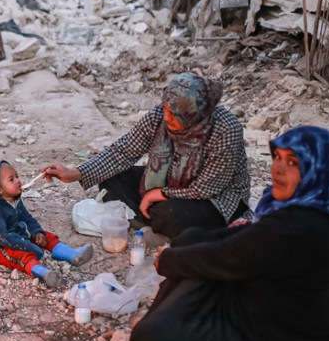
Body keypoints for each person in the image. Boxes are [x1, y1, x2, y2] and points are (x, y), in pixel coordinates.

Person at [117, 126, 329, 341]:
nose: (279, 169)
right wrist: (183, 249)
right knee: (190, 240)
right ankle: (168, 317)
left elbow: (229, 256)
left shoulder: (300, 227)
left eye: (293, 163)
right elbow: (241, 240)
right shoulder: (312, 209)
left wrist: (168, 260)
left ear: (319, 169)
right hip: (265, 316)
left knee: (153, 336)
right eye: (278, 157)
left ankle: (159, 340)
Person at [42, 72, 250, 241]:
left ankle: (159, 220)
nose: (166, 118)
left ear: (194, 116)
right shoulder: (161, 114)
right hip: (170, 183)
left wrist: (156, 194)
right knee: (113, 178)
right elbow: (123, 152)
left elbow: (207, 187)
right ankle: (157, 219)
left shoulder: (225, 129)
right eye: (166, 109)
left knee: (171, 215)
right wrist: (75, 173)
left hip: (214, 197)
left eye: (173, 114)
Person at [0, 160, 93, 289]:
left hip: (18, 235)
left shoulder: (15, 200)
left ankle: (73, 255)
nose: (18, 181)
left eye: (17, 177)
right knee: (23, 256)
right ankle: (44, 274)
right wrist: (29, 246)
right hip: (2, 247)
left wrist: (37, 231)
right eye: (11, 179)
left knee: (47, 237)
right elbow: (4, 237)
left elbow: (27, 218)